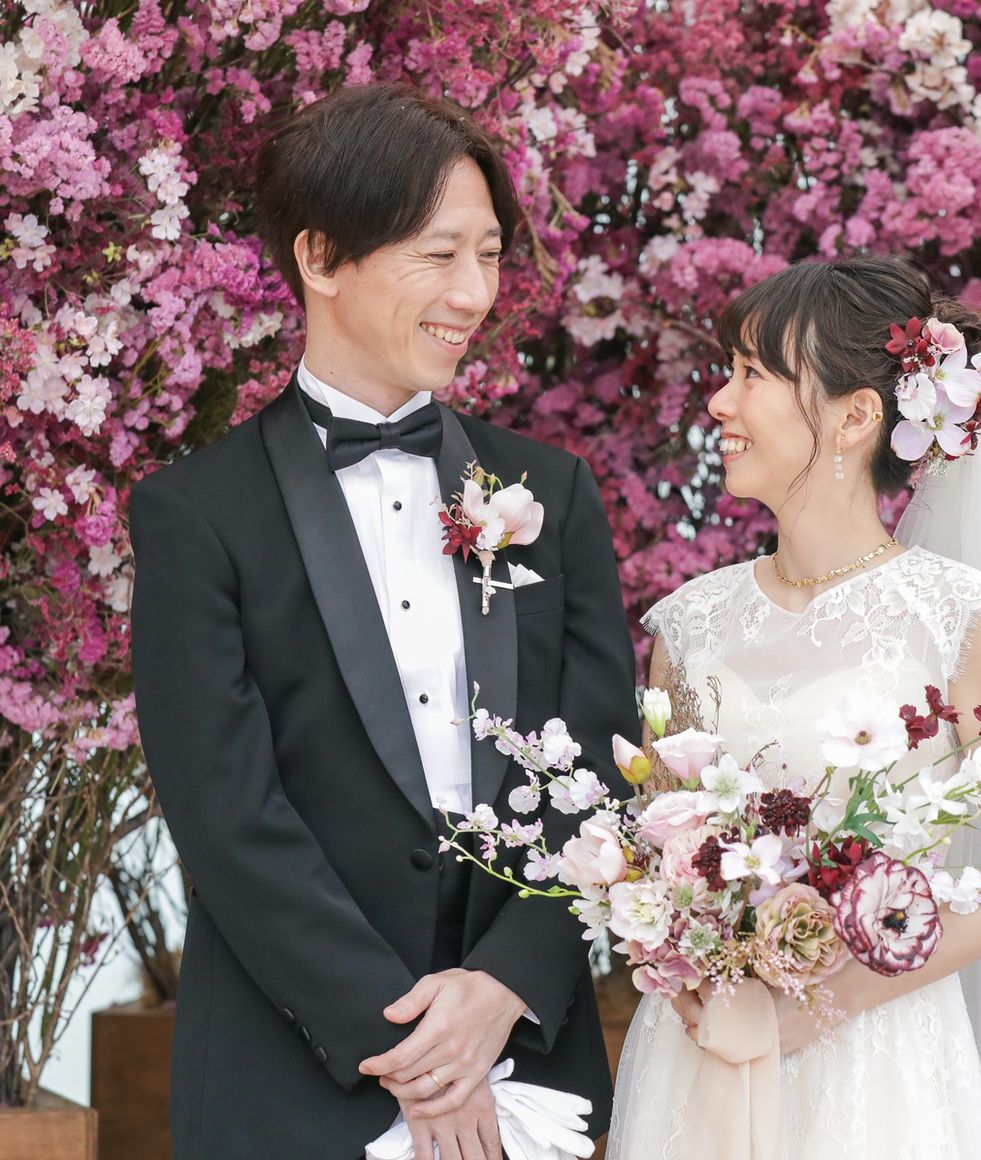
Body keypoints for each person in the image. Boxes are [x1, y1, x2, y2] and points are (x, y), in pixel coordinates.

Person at [130, 83, 638, 1160]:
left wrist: (504, 985)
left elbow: (601, 770)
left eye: (489, 255)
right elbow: (226, 812)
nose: (473, 292)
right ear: (321, 257)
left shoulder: (550, 493)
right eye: (438, 253)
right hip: (292, 1068)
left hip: (526, 1065)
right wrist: (406, 1046)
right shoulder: (195, 514)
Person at [607, 256, 981, 1159]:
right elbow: (653, 850)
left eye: (752, 375)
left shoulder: (959, 617)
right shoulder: (688, 624)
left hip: (883, 1058)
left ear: (855, 415)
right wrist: (686, 955)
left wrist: (820, 1005)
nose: (719, 403)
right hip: (703, 1050)